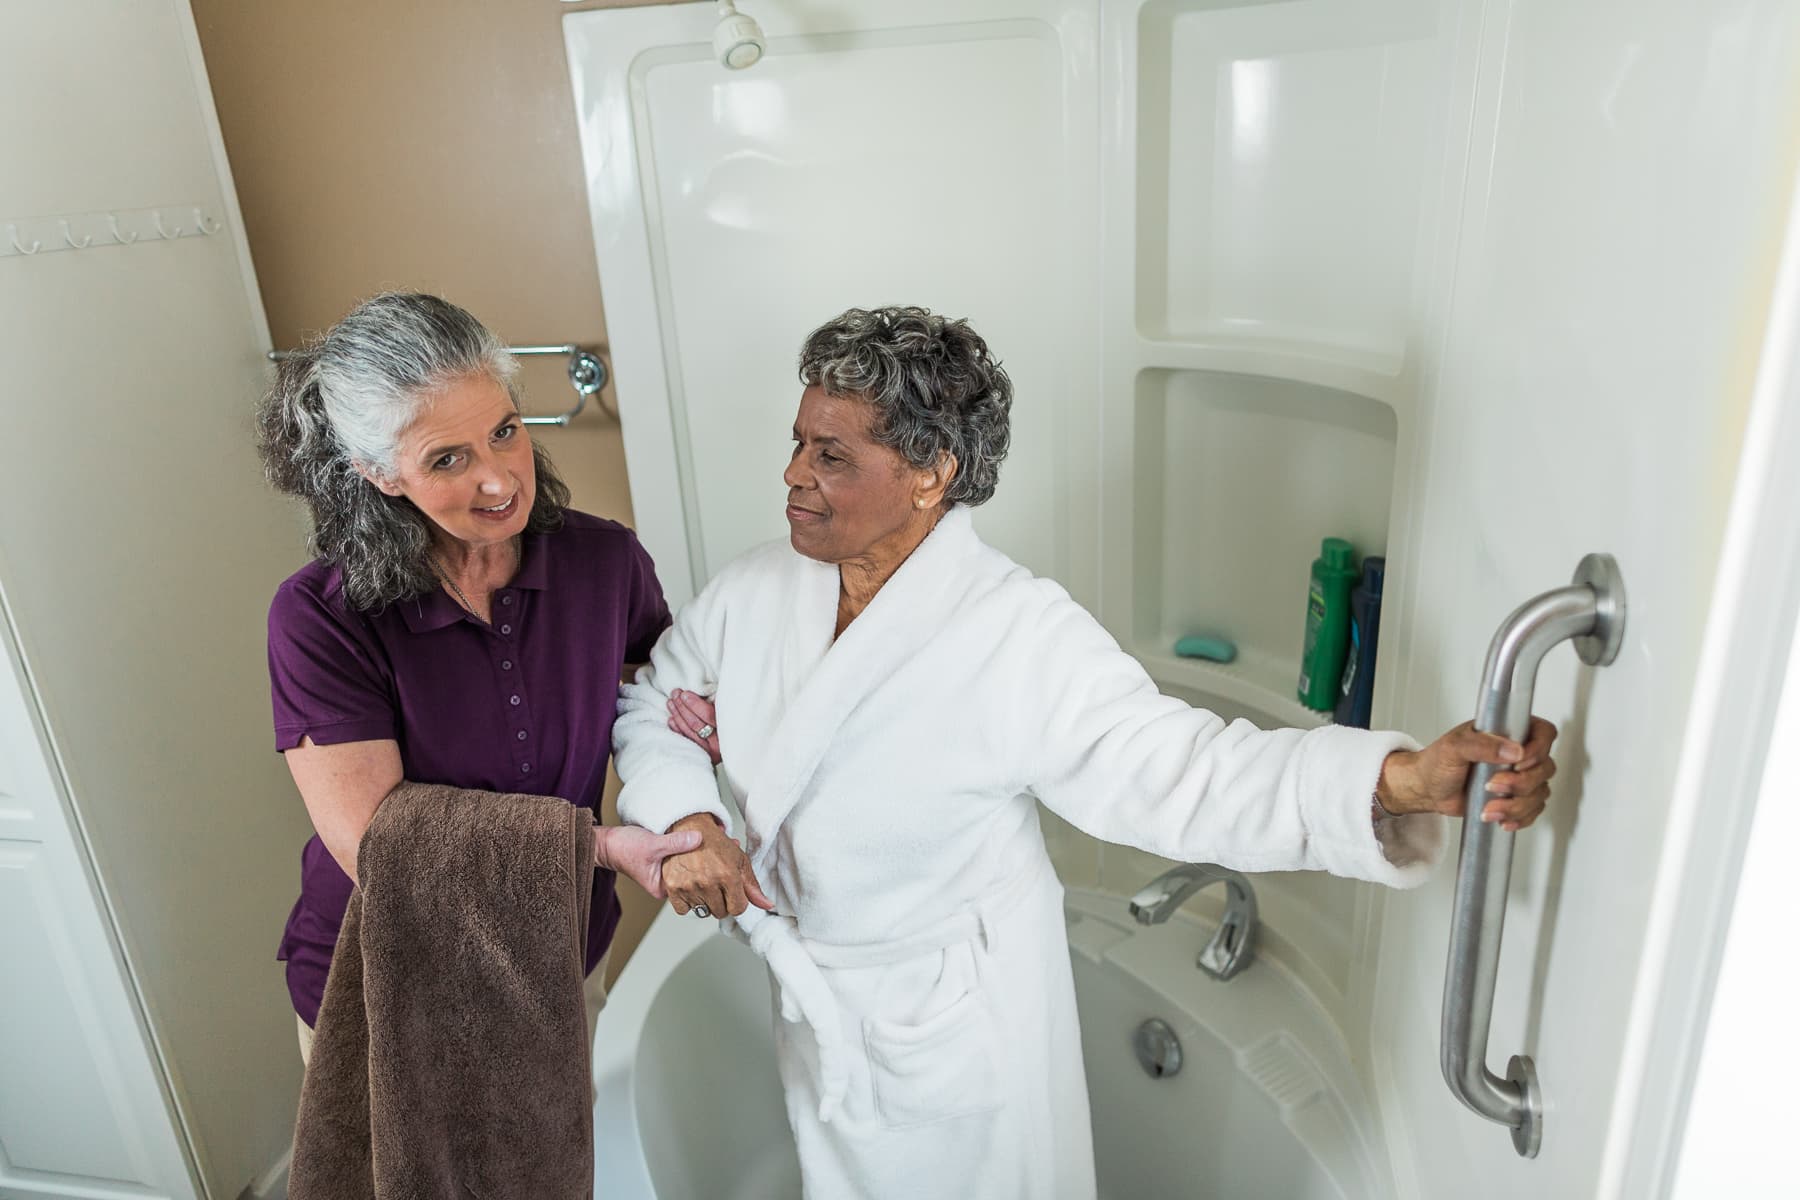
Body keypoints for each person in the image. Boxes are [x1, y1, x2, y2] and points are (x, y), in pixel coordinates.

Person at [614, 305, 1558, 1199]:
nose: (793, 475)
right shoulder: (757, 591)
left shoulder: (1014, 636)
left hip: (948, 1035)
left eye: (830, 455)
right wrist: (690, 818)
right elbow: (657, 699)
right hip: (823, 1005)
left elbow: (1187, 772)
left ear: (931, 471)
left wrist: (1393, 783)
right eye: (796, 443)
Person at [256, 292, 701, 1065]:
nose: (500, 483)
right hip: (394, 979)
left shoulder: (604, 562)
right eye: (447, 459)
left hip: (561, 950)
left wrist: (689, 712)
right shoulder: (321, 618)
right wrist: (597, 847)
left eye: (504, 432)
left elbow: (649, 699)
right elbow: (380, 845)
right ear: (378, 473)